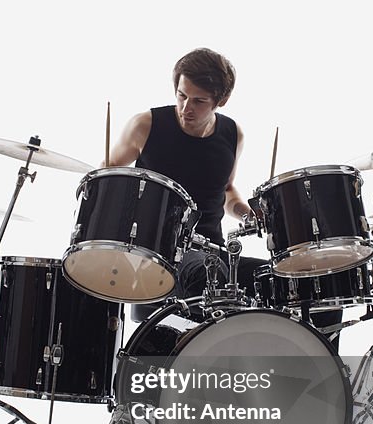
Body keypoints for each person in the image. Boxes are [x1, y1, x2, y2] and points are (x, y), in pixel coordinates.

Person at [106, 47, 263, 300]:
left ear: (220, 101)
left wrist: (247, 214)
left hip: (213, 249)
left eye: (198, 101)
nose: (185, 107)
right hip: (159, 252)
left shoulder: (233, 134)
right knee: (208, 273)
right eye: (182, 96)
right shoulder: (145, 125)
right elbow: (109, 175)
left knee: (295, 279)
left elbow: (226, 190)